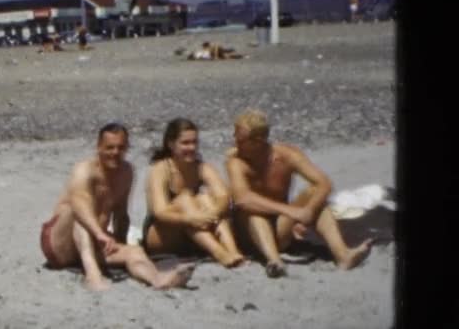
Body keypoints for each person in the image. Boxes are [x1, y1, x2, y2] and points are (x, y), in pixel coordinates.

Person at [40, 123, 195, 291]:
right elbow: (79, 202)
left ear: (127, 147)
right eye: (109, 148)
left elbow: (121, 214)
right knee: (79, 211)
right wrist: (100, 234)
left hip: (93, 243)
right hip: (60, 245)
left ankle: (158, 279)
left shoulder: (126, 172)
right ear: (99, 147)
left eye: (120, 147)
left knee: (135, 251)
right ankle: (92, 276)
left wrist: (121, 246)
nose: (115, 152)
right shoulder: (84, 170)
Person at [225, 109, 373, 278]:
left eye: (241, 139)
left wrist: (309, 211)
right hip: (249, 236)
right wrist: (291, 211)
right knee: (252, 211)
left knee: (314, 193)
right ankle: (275, 262)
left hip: (280, 230)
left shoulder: (288, 155)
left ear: (258, 141)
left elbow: (324, 183)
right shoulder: (235, 161)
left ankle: (343, 255)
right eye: (235, 135)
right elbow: (243, 199)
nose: (235, 141)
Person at [142, 118, 247, 267]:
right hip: (161, 235)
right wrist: (191, 219)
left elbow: (224, 196)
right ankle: (219, 252)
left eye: (194, 142)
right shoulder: (160, 169)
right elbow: (160, 212)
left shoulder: (201, 167)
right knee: (185, 199)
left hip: (193, 234)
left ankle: (233, 251)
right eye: (185, 143)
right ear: (171, 144)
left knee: (206, 199)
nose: (191, 147)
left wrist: (210, 214)